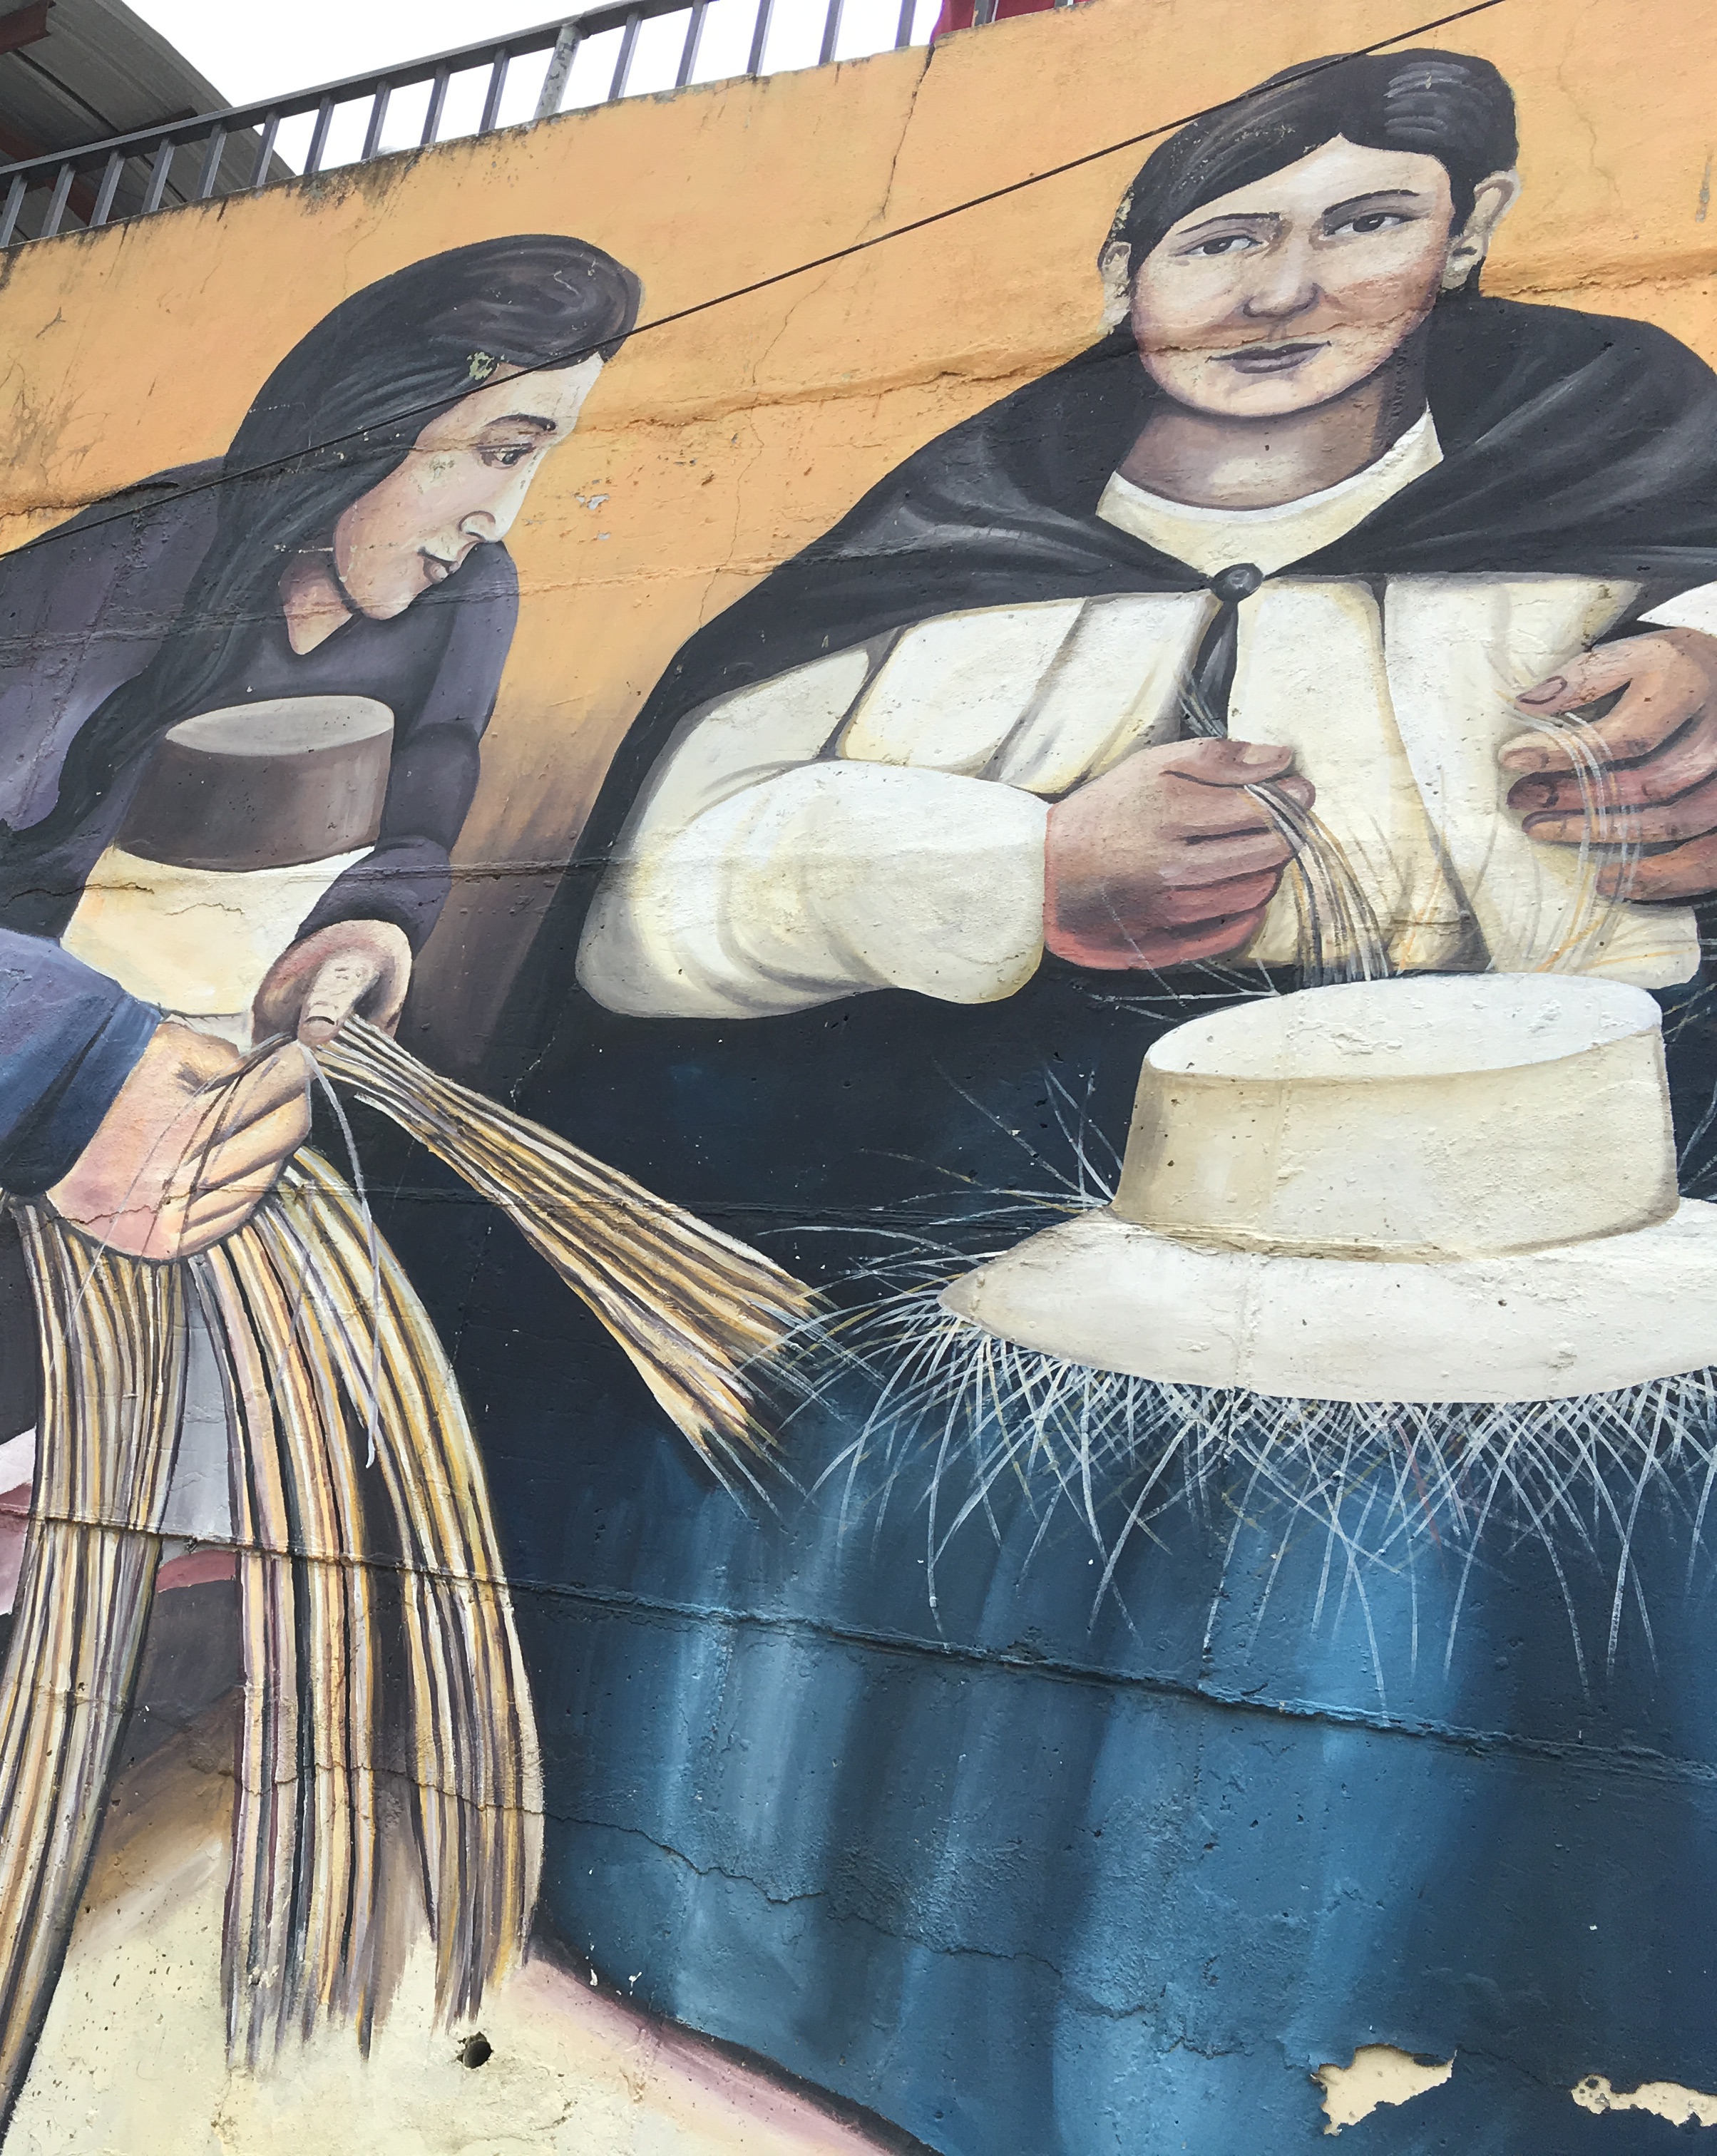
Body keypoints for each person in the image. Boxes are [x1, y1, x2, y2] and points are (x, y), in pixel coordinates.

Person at [434, 49, 1717, 2156]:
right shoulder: (959, 530)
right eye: (1225, 239)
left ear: (1468, 238)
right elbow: (659, 903)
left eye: (1365, 223)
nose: (1283, 289)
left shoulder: (1630, 454)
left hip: (1585, 1179)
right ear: (1125, 272)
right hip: (997, 1183)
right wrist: (1016, 869)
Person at [0, 235, 644, 1256]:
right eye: (502, 451)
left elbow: (424, 806)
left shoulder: (468, 596)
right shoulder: (114, 579)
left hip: (199, 1142)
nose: (498, 517)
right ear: (370, 417)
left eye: (534, 462)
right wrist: (81, 1071)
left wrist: (364, 931)